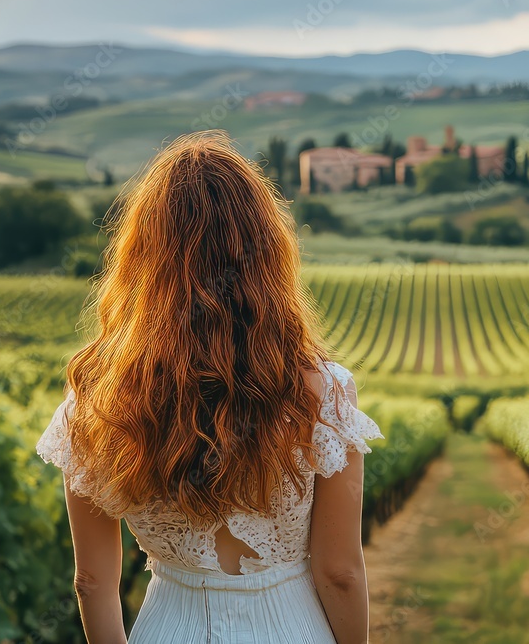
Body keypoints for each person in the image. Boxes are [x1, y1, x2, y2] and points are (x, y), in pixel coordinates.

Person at [36, 130, 382, 644]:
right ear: (266, 256)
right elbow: (341, 574)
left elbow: (92, 583)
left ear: (143, 258)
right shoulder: (323, 393)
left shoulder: (98, 396)